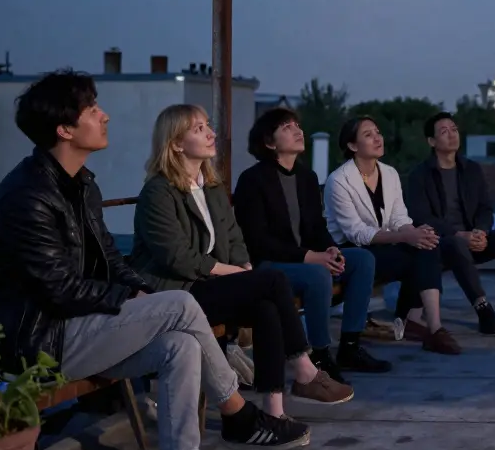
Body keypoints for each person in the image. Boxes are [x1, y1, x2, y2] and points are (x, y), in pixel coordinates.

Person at [0, 70, 307, 450]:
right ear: (65, 129)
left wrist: (138, 291)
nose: (104, 116)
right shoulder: (29, 197)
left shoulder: (82, 186)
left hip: (77, 327)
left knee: (180, 344)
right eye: (92, 109)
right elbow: (58, 290)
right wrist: (136, 297)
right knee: (179, 303)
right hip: (41, 342)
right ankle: (238, 413)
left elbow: (110, 259)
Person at [130, 104, 354, 422]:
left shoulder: (211, 188)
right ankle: (305, 371)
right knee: (273, 280)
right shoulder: (158, 192)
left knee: (266, 305)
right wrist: (234, 272)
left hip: (211, 285)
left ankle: (274, 412)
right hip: (176, 292)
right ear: (176, 143)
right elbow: (176, 257)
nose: (212, 133)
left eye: (209, 125)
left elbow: (234, 238)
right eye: (199, 129)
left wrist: (243, 269)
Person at [233, 107, 390, 378]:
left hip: (306, 257)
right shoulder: (252, 180)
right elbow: (257, 241)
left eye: (297, 125)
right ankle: (320, 354)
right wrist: (310, 257)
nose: (298, 131)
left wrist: (330, 249)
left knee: (362, 259)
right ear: (270, 143)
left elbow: (317, 227)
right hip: (269, 265)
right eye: (287, 128)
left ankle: (350, 346)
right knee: (317, 274)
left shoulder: (307, 177)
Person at [325, 115, 462, 355]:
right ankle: (415, 321)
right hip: (349, 251)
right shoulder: (339, 180)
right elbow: (357, 233)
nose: (378, 138)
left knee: (428, 244)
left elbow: (399, 218)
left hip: (382, 245)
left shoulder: (389, 173)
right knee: (416, 251)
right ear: (353, 146)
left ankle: (435, 327)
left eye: (378, 132)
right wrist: (406, 237)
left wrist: (415, 232)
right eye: (368, 135)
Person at [406, 112, 495, 335]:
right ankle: (483, 308)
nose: (451, 135)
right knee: (457, 244)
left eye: (454, 129)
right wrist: (459, 235)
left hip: (473, 239)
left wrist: (481, 231)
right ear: (431, 142)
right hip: (443, 244)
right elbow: (421, 216)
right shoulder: (420, 175)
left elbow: (485, 208)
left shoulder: (471, 169)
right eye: (444, 132)